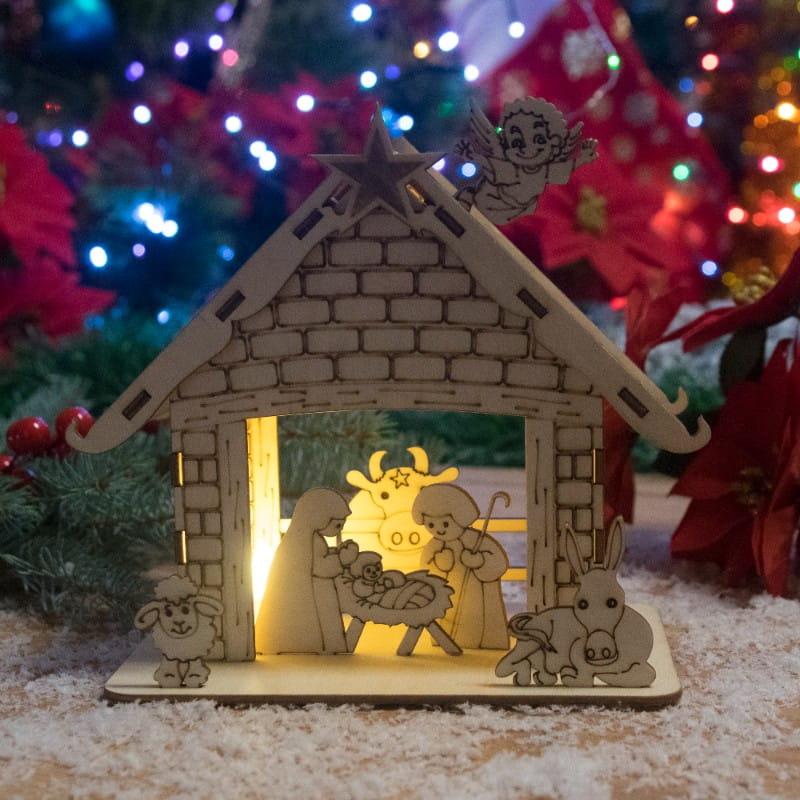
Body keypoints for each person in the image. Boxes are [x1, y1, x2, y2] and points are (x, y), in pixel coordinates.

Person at [255, 488, 357, 654]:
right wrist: (342, 559)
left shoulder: (308, 538)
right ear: (321, 518)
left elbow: (319, 559)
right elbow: (320, 567)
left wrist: (336, 554)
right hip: (306, 602)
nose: (339, 530)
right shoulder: (306, 541)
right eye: (337, 525)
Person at [412, 484, 509, 649]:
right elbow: (425, 570)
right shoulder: (434, 545)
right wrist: (440, 564)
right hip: (448, 601)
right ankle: (444, 640)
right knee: (447, 622)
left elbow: (498, 564)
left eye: (445, 524)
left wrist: (480, 561)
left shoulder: (476, 540)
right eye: (431, 525)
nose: (439, 530)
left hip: (477, 599)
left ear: (459, 518)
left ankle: (477, 640)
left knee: (475, 623)